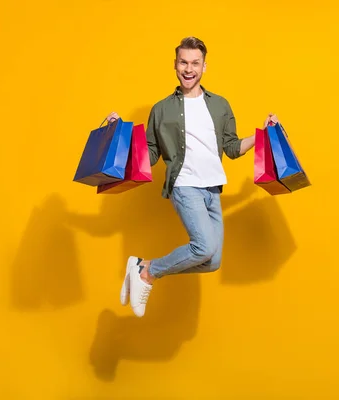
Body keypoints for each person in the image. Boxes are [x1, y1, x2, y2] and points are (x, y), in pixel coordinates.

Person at [106, 36, 279, 317]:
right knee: (204, 247)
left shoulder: (220, 105)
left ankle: (142, 266)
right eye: (183, 62)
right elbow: (150, 154)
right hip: (184, 185)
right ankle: (148, 273)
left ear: (204, 66)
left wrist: (264, 134)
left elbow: (232, 148)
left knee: (212, 261)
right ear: (175, 65)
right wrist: (119, 135)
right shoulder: (162, 109)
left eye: (195, 63)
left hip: (212, 189)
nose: (189, 69)